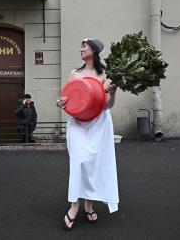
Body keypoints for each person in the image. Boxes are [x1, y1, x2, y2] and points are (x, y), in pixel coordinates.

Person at [56, 38, 119, 230]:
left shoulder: (105, 74)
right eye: (81, 46)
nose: (81, 49)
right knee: (79, 161)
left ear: (95, 50)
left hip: (98, 123)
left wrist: (113, 91)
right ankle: (75, 205)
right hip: (77, 122)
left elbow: (108, 105)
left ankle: (89, 204)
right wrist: (61, 102)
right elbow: (67, 97)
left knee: (93, 164)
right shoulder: (75, 74)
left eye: (85, 46)